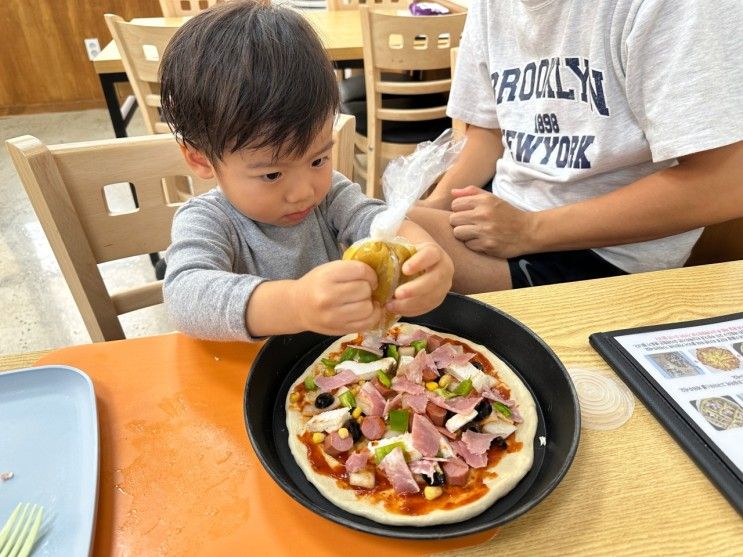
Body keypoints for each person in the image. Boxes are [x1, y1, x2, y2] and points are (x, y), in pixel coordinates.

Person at [159, 1, 453, 341]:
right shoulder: (209, 219)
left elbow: (377, 220)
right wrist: (295, 304)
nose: (305, 192)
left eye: (318, 160)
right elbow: (184, 297)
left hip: (335, 363)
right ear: (201, 160)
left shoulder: (330, 196)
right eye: (272, 174)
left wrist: (426, 256)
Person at [410, 0, 743, 294]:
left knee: (382, 240)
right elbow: (490, 131)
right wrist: (440, 202)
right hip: (507, 215)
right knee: (380, 225)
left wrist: (529, 230)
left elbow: (727, 183)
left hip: (607, 256)